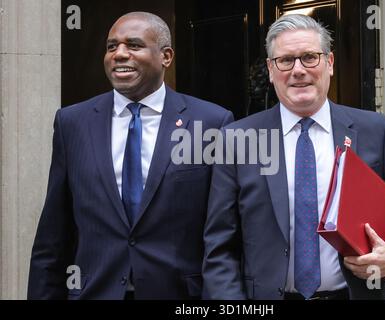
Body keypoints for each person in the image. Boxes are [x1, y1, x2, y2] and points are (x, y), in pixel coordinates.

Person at [202, 14, 385, 300]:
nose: (298, 70)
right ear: (271, 70)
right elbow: (220, 245)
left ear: (329, 63)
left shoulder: (374, 130)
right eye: (285, 60)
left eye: (309, 57)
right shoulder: (236, 140)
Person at [27, 11, 233, 300]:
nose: (119, 54)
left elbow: (223, 235)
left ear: (166, 56)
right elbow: (53, 236)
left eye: (133, 45)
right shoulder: (72, 123)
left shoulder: (211, 122)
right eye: (112, 46)